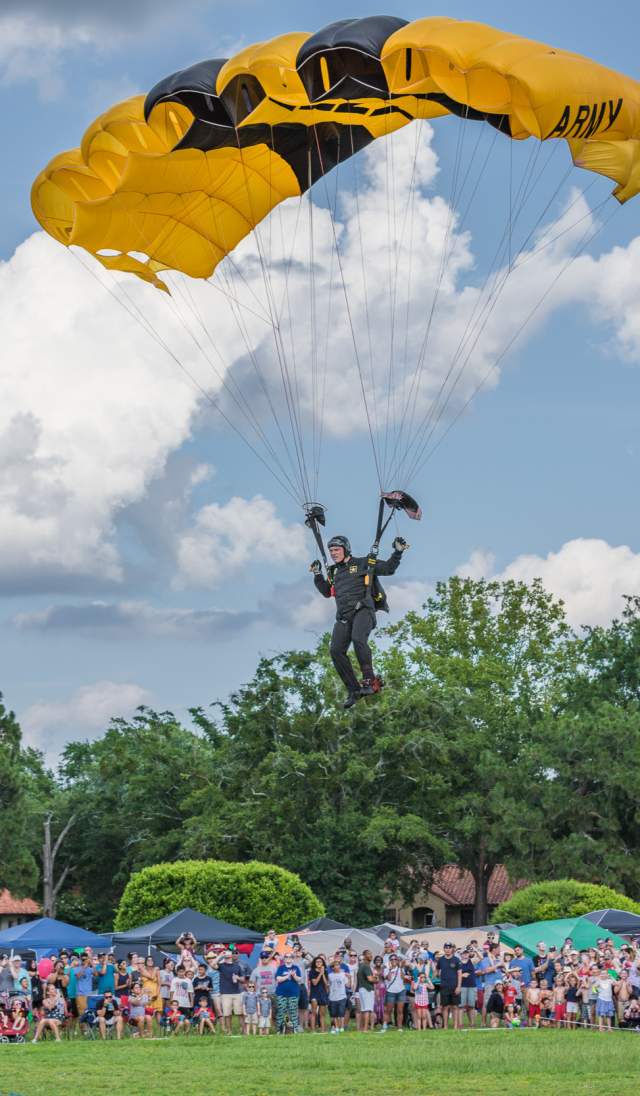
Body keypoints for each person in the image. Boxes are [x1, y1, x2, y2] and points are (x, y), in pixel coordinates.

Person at [310, 533, 408, 708]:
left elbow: (388, 569)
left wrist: (398, 552)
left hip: (363, 610)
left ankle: (370, 680)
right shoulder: (334, 571)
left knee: (358, 638)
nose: (333, 553)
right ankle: (354, 690)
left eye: (336, 550)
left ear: (346, 549)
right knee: (335, 650)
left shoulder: (364, 563)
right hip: (344, 616)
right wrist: (318, 574)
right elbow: (326, 592)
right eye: (331, 550)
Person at [436, 942, 463, 1031]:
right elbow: (437, 969)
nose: (447, 949)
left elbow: (459, 974)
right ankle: (446, 1026)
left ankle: (455, 1026)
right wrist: (438, 975)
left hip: (454, 986)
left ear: (452, 949)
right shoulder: (441, 960)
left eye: (449, 948)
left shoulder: (456, 960)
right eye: (446, 948)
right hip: (444, 986)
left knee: (455, 1007)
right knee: (445, 1007)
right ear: (444, 949)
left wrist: (459, 986)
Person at [218, 950, 246, 1034]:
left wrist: (238, 978)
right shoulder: (221, 965)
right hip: (225, 993)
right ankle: (229, 1031)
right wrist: (220, 956)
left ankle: (244, 1031)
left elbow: (243, 980)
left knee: (240, 1013)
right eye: (225, 953)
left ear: (231, 956)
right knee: (227, 1014)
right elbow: (212, 965)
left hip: (237, 992)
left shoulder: (237, 966)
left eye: (228, 953)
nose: (227, 954)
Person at [275, 952, 302, 1034]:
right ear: (284, 958)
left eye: (290, 957)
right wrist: (287, 976)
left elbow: (299, 979)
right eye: (286, 956)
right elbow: (278, 979)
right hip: (281, 993)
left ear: (293, 958)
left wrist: (293, 975)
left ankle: (295, 1029)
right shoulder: (281, 968)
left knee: (293, 1011)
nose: (288, 958)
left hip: (293, 993)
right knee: (281, 1011)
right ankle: (280, 1030)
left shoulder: (296, 968)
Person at [328, 958, 349, 1034]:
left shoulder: (343, 974)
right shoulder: (330, 975)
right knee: (334, 1014)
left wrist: (349, 978)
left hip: (342, 996)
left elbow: (348, 985)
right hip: (332, 997)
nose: (338, 966)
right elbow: (328, 985)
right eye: (336, 965)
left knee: (341, 1013)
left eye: (338, 965)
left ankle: (342, 1027)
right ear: (333, 967)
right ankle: (336, 1027)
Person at [356, 950, 376, 1032]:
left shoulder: (361, 966)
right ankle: (365, 1029)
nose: (371, 955)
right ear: (364, 956)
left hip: (362, 989)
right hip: (367, 989)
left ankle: (362, 1028)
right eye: (368, 954)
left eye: (371, 954)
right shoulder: (366, 966)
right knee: (367, 1009)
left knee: (364, 1009)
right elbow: (370, 979)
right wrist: (376, 978)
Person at [309, 956, 330, 1033]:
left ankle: (323, 1030)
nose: (318, 963)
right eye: (317, 962)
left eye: (320, 962)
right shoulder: (312, 971)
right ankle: (313, 1030)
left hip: (323, 993)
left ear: (323, 963)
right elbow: (315, 983)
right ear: (315, 963)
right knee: (314, 1012)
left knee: (322, 1014)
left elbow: (326, 984)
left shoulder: (325, 972)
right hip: (314, 993)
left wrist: (323, 973)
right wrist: (320, 974)